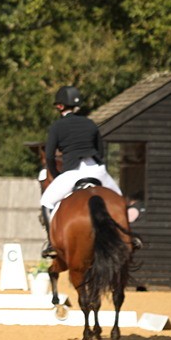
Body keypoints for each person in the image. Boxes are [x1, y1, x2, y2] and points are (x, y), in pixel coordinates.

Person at [38, 86, 122, 258]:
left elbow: (49, 156)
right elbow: (100, 151)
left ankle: (51, 244)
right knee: (120, 200)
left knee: (46, 202)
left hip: (73, 172)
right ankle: (127, 238)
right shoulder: (90, 123)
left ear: (60, 106)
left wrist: (56, 175)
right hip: (97, 170)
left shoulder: (57, 126)